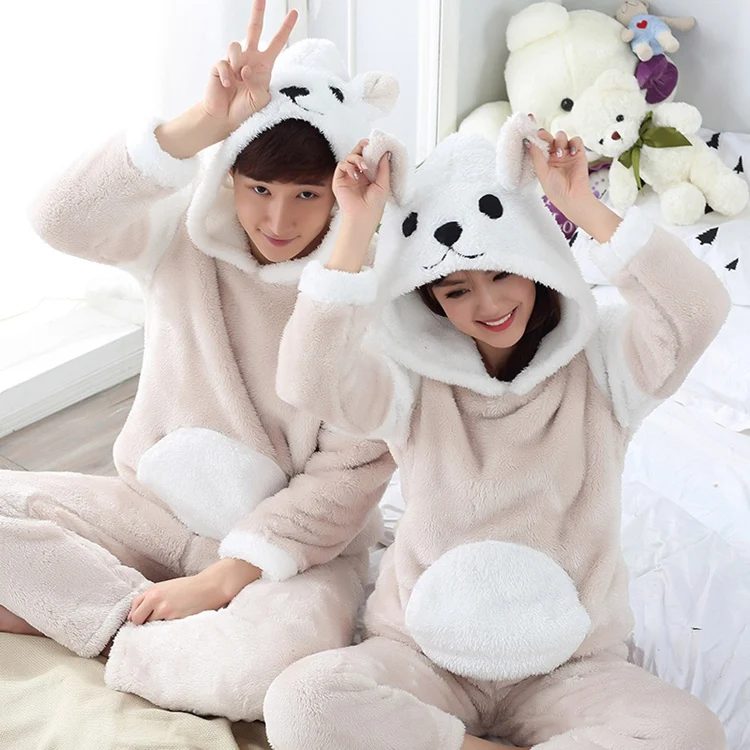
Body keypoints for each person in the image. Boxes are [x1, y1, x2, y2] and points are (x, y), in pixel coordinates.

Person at [263, 115, 729, 749]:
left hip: (570, 669)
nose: (488, 306)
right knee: (304, 703)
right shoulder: (409, 379)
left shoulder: (605, 364)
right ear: (430, 301)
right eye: (456, 291)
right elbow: (307, 381)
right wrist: (355, 227)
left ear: (536, 264)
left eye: (504, 274)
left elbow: (697, 310)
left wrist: (579, 204)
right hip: (423, 656)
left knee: (690, 733)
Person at [0, 0, 397, 722]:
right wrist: (201, 124)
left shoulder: (368, 298)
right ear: (230, 178)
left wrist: (219, 582)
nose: (278, 220)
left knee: (260, 675)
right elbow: (58, 218)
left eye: (307, 194)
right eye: (259, 189)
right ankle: (124, 618)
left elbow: (348, 478)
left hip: (283, 557)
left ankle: (86, 616)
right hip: (149, 513)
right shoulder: (180, 239)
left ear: (340, 191)